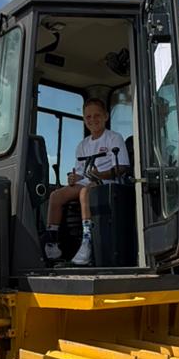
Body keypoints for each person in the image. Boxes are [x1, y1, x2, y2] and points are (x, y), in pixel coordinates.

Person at [44, 96, 128, 266]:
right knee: (56, 196)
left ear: (106, 116)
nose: (92, 120)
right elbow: (82, 173)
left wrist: (101, 175)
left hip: (109, 182)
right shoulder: (82, 145)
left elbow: (123, 167)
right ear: (84, 119)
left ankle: (87, 242)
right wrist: (74, 178)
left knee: (85, 192)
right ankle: (52, 243)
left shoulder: (114, 138)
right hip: (89, 181)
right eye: (88, 117)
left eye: (97, 115)